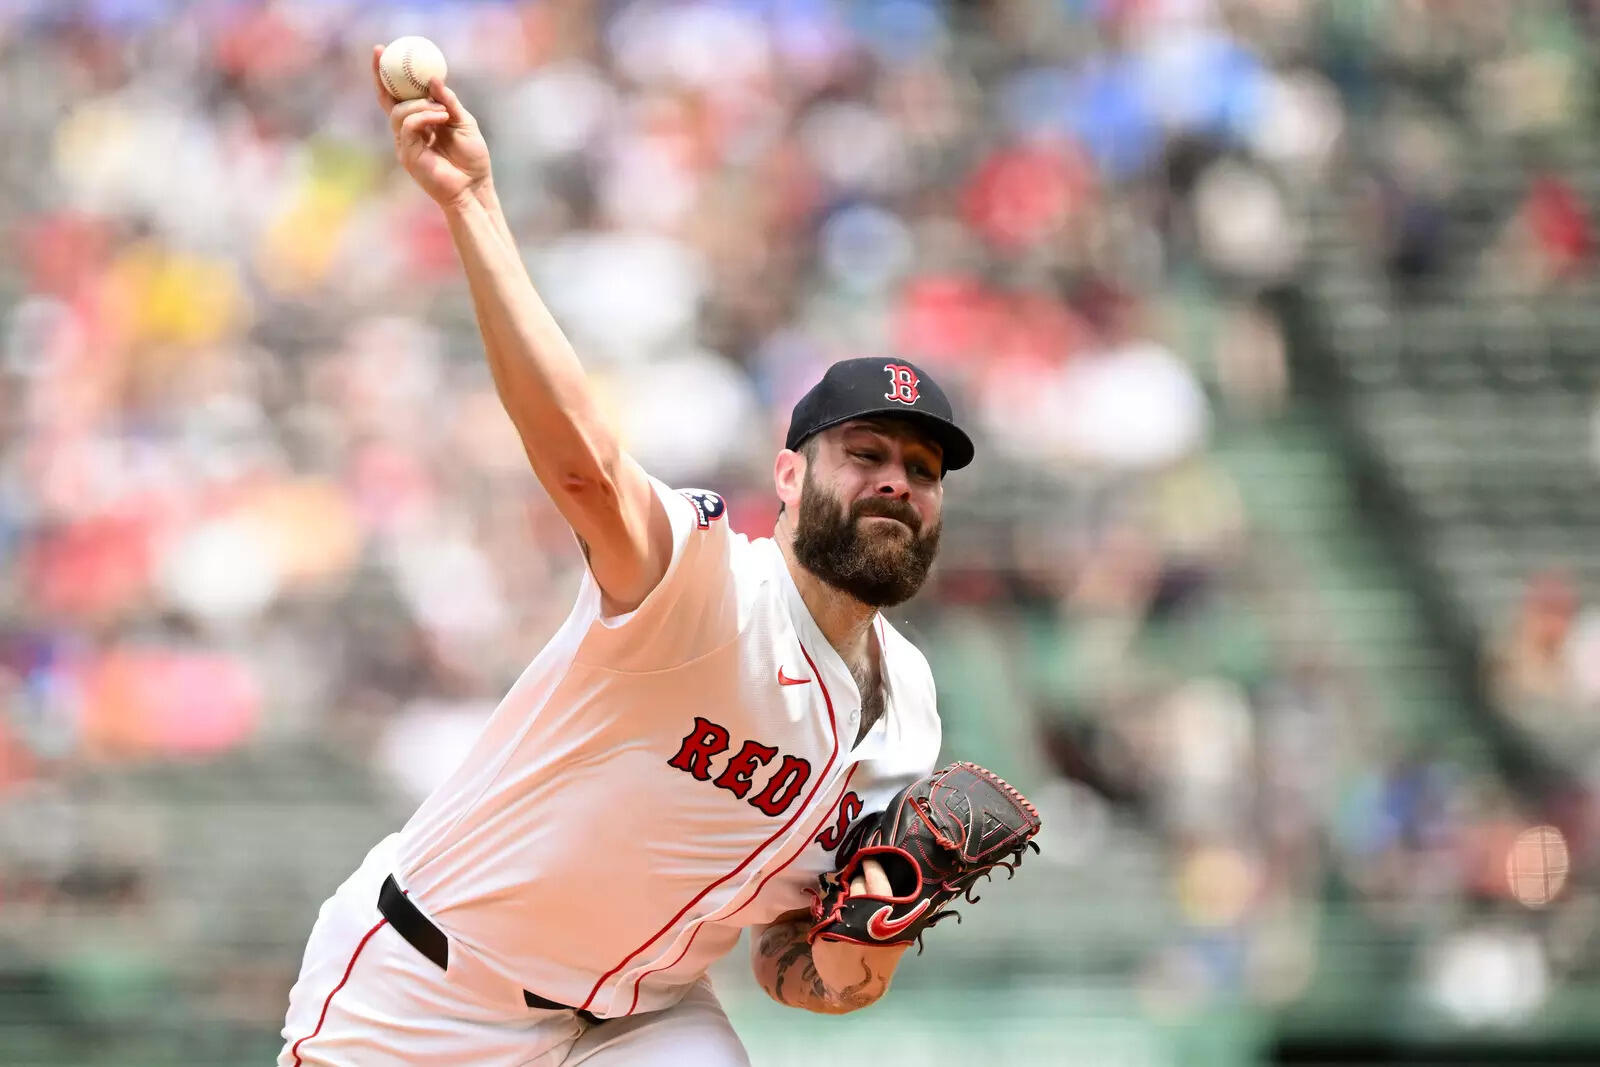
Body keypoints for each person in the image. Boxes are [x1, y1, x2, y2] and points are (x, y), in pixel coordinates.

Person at [277, 48, 975, 1066]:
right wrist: (472, 203)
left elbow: (803, 968)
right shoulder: (701, 585)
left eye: (921, 468)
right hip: (429, 987)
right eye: (863, 453)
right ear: (787, 477)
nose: (894, 482)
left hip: (646, 1017)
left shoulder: (907, 703)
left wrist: (869, 937)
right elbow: (584, 468)